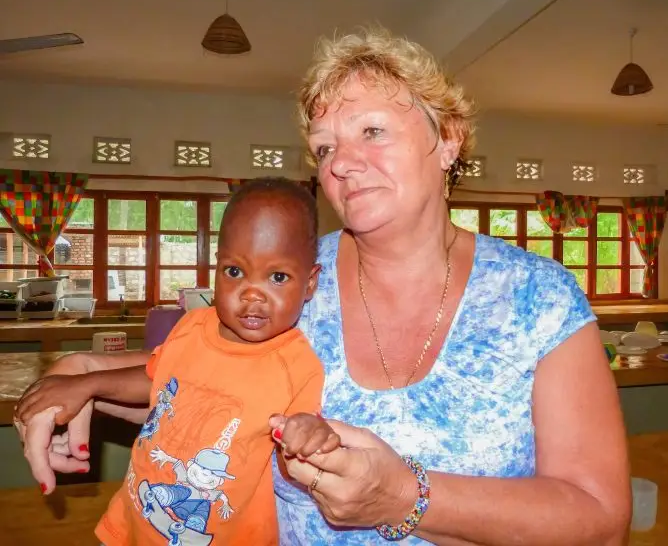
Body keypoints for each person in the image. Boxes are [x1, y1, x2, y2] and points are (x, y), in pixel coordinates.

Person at [17, 27, 631, 545]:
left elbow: (600, 517)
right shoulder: (287, 280)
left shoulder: (538, 298)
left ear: (447, 139)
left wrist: (404, 499)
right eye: (325, 146)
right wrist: (79, 374)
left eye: (373, 131)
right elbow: (198, 386)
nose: (340, 160)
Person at [15, 177, 340, 546]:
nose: (252, 294)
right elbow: (157, 380)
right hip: (132, 523)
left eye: (278, 277)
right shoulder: (194, 326)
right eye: (235, 272)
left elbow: (291, 463)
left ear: (310, 283)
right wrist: (86, 382)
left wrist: (308, 435)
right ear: (216, 267)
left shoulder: (298, 365)